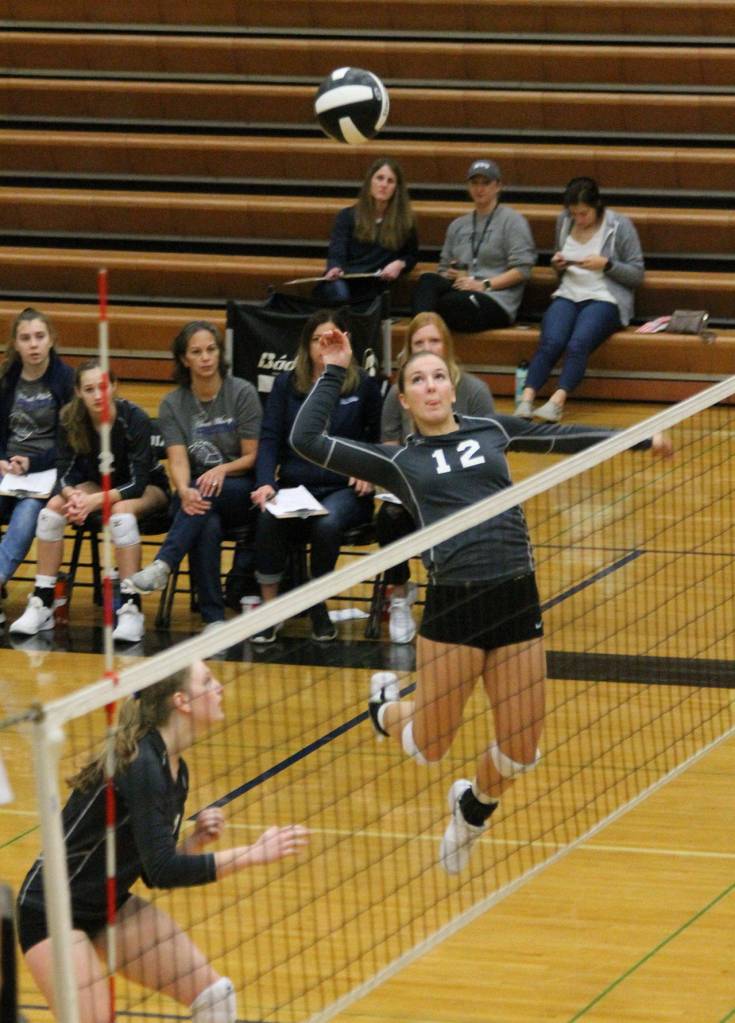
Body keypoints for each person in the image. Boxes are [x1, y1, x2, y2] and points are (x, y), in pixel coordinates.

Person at [290, 328, 672, 874]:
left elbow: (560, 438)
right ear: (403, 399)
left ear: (453, 386)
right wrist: (334, 369)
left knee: (520, 753)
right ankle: (389, 709)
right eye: (417, 380)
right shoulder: (398, 461)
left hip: (516, 594)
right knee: (430, 748)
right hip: (455, 605)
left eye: (438, 376)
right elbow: (308, 440)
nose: (430, 386)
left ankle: (473, 809)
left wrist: (637, 437)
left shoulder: (490, 429)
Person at [16, 659, 309, 1023]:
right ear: (181, 701)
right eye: (208, 680)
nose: (220, 688)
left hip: (109, 906)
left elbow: (154, 872)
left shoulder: (175, 770)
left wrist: (194, 841)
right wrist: (254, 853)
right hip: (52, 913)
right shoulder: (142, 764)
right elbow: (165, 870)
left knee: (215, 997)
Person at [10, 360, 169, 644]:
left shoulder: (135, 419)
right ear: (78, 392)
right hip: (100, 487)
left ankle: (131, 607)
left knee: (120, 513)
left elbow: (137, 483)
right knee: (51, 510)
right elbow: (63, 475)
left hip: (148, 490)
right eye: (89, 389)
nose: (98, 395)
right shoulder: (70, 419)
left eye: (104, 387)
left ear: (115, 386)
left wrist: (92, 501)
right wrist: (73, 497)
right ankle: (43, 602)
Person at [250, 309, 381, 643]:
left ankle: (317, 601)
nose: (324, 345)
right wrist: (266, 481)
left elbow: (378, 438)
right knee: (268, 517)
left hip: (344, 488)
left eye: (332, 337)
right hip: (298, 486)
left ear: (345, 342)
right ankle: (270, 610)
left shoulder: (364, 385)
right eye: (317, 339)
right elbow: (269, 438)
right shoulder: (286, 384)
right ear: (306, 346)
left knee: (328, 524)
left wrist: (369, 471)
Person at [130, 321, 262, 626]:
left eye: (211, 350)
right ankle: (214, 620)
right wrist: (185, 490)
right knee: (206, 523)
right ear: (184, 359)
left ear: (220, 353)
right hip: (195, 495)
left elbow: (252, 456)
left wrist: (221, 470)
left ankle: (164, 563)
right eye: (197, 352)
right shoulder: (172, 404)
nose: (205, 357)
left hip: (237, 489)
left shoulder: (242, 392)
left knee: (205, 499)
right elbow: (177, 461)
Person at [377, 311, 494, 644]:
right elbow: (390, 454)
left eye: (433, 341)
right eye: (418, 342)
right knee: (388, 518)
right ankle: (399, 596)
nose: (426, 347)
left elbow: (488, 460)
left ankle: (457, 596)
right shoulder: (397, 395)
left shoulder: (475, 392)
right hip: (414, 496)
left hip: (461, 498)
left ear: (447, 347)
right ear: (408, 349)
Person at [515, 176, 644, 422]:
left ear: (597, 206)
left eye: (584, 214)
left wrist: (606, 264)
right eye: (574, 213)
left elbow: (637, 274)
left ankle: (557, 401)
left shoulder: (619, 225)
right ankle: (526, 399)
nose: (579, 219)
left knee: (577, 343)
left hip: (604, 298)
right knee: (551, 341)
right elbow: (559, 267)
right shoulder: (564, 222)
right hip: (567, 294)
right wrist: (558, 265)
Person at [0, 307, 74, 625]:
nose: (33, 345)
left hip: (47, 473)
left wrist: (34, 461)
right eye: (26, 338)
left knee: (29, 513)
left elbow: (72, 441)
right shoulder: (6, 379)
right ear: (15, 344)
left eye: (39, 337)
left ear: (51, 340)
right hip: (7, 471)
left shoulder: (66, 379)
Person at [412, 158, 536, 333]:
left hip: (494, 298)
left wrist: (483, 284)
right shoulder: (458, 225)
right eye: (475, 183)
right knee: (427, 281)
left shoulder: (513, 221)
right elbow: (443, 268)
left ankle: (425, 334)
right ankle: (422, 337)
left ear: (498, 186)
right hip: (461, 290)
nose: (479, 188)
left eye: (486, 183)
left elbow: (523, 270)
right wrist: (451, 274)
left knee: (450, 304)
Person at [319, 157, 418, 307]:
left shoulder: (405, 222)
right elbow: (336, 253)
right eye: (379, 178)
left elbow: (412, 255)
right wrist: (335, 267)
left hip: (375, 285)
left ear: (396, 188)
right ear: (370, 182)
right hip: (344, 282)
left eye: (390, 181)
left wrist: (400, 263)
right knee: (339, 292)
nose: (384, 185)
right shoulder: (346, 216)